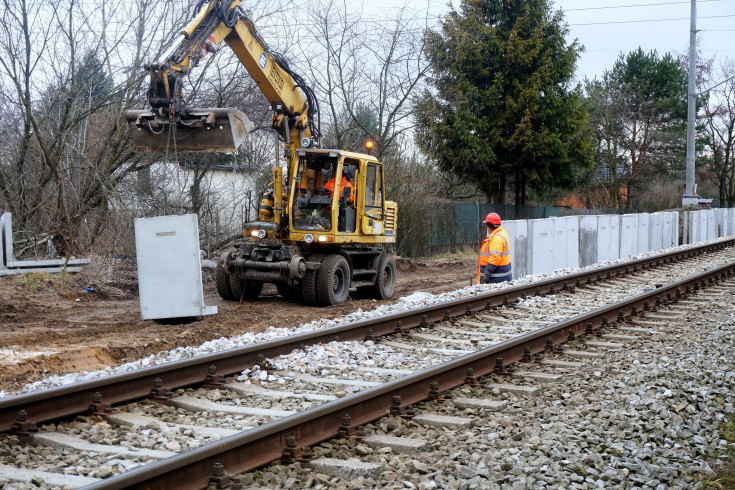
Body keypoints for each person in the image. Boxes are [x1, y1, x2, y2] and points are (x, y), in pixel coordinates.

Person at [477, 212, 512, 284]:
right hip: (501, 276)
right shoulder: (502, 232)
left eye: (487, 226)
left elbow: (495, 258)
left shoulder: (497, 238)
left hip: (496, 278)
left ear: (490, 226)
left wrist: (487, 274)